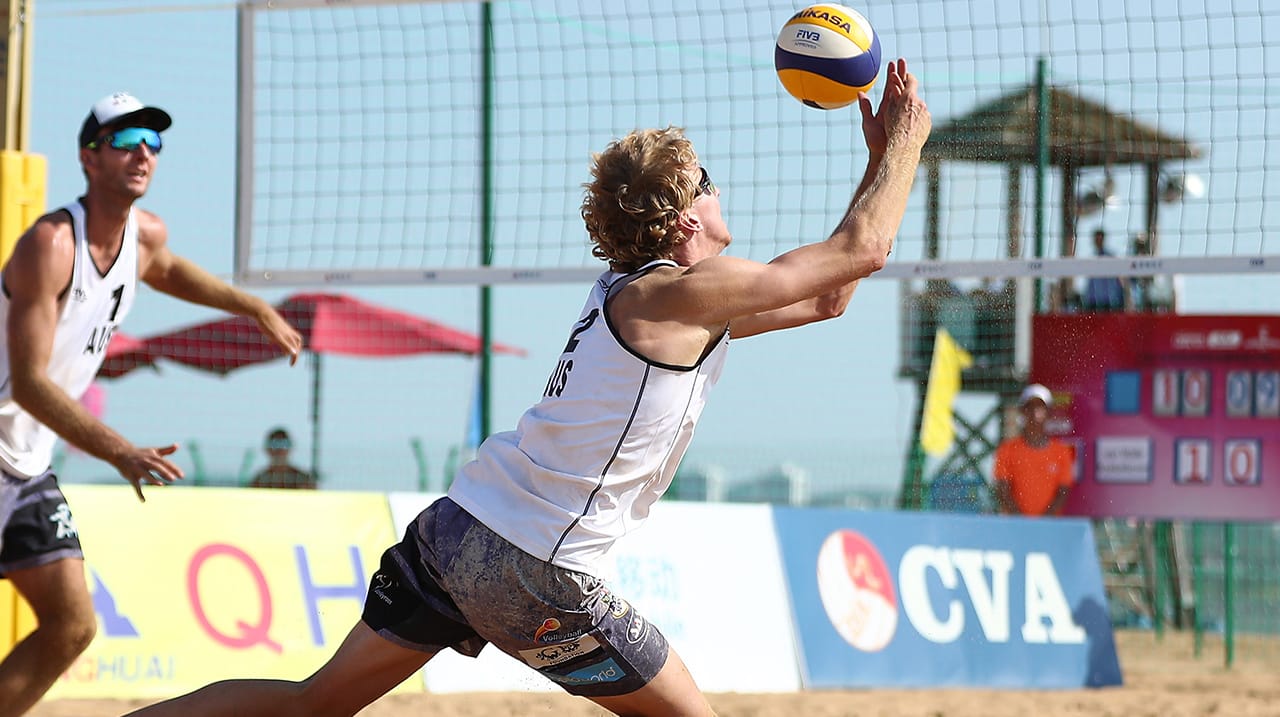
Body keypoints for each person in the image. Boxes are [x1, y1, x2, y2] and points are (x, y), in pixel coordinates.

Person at [125, 58, 931, 717]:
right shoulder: (676, 294)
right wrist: (906, 141)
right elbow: (861, 248)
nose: (722, 192)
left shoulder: (664, 302)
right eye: (707, 181)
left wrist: (878, 162)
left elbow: (830, 295)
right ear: (686, 218)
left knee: (314, 702)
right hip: (536, 566)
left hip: (456, 531)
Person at [0, 92, 303, 717]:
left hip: (26, 465)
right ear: (89, 158)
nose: (142, 152)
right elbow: (28, 384)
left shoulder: (144, 237)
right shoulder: (52, 245)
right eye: (124, 140)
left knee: (71, 626)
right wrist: (120, 450)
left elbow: (170, 269)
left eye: (153, 141)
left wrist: (253, 306)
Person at [992, 383, 1075, 517]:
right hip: (1014, 525)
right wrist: (1022, 522)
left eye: (1040, 407)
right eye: (1029, 407)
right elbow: (1002, 490)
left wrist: (1042, 522)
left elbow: (1062, 491)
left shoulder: (1061, 452)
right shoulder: (1006, 450)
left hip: (1049, 526)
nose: (1035, 411)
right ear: (1022, 411)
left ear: (1049, 412)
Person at [249, 428, 316, 489]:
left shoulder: (304, 480)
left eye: (284, 444)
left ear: (290, 448)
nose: (279, 449)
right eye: (274, 444)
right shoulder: (258, 481)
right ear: (267, 449)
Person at [1083, 229, 1129, 312]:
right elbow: (1091, 282)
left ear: (1103, 239)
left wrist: (1123, 296)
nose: (1097, 241)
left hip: (1109, 300)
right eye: (1096, 239)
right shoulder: (1092, 258)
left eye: (1099, 239)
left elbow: (1119, 277)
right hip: (1093, 300)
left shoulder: (1110, 257)